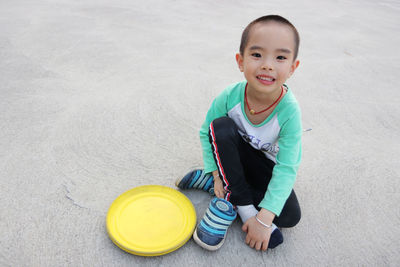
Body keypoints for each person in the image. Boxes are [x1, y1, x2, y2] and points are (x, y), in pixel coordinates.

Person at [176, 15, 302, 252]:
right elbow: (207, 133)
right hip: (229, 156)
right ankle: (231, 198)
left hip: (264, 166)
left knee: (289, 216)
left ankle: (226, 187)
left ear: (293, 67)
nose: (267, 64)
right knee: (221, 127)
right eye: (257, 55)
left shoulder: (290, 112)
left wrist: (264, 220)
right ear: (240, 61)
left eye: (280, 57)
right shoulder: (229, 96)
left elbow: (287, 168)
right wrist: (215, 172)